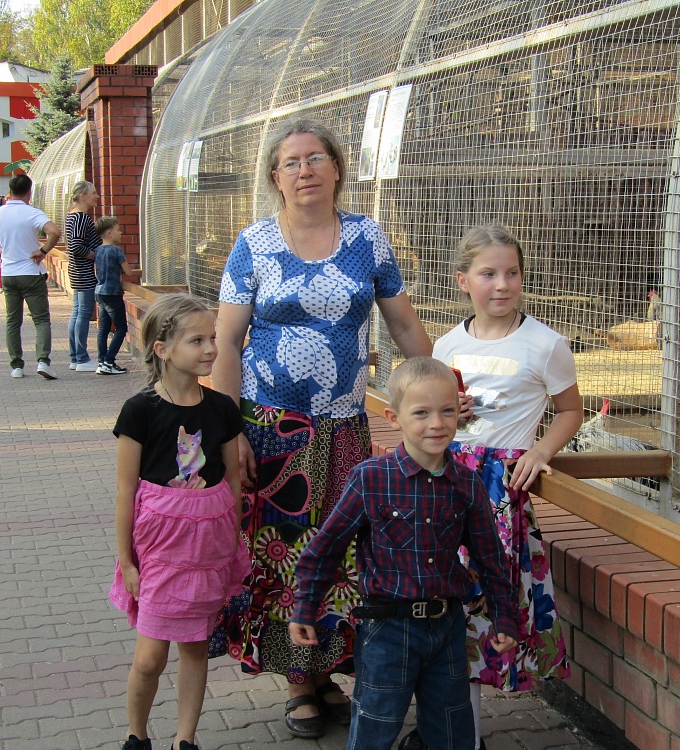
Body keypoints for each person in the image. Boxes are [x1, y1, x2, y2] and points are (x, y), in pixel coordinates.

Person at [213, 118, 432, 739]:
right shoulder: (253, 243)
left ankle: (330, 672)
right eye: (291, 162)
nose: (304, 170)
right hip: (270, 429)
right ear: (275, 178)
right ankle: (298, 683)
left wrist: (437, 392)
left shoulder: (367, 238)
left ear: (337, 167)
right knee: (282, 553)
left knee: (339, 551)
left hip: (342, 428)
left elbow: (405, 329)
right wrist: (228, 432)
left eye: (315, 158)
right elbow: (228, 343)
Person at [289, 357, 517, 750]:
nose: (437, 423)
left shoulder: (466, 484)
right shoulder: (371, 478)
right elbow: (324, 549)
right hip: (387, 630)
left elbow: (491, 558)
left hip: (446, 628)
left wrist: (505, 617)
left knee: (452, 730)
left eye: (447, 411)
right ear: (394, 418)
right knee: (375, 726)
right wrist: (305, 606)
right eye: (422, 413)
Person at [431, 224, 583, 750]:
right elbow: (431, 414)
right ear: (462, 281)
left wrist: (540, 451)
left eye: (512, 273)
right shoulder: (448, 343)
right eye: (488, 274)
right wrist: (453, 411)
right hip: (448, 485)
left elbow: (570, 410)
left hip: (499, 494)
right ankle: (456, 733)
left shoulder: (544, 344)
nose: (502, 284)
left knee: (487, 605)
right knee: (449, 605)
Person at [109, 293, 251, 750]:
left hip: (207, 545)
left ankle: (184, 739)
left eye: (212, 338)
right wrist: (126, 561)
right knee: (150, 657)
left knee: (194, 646)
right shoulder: (140, 410)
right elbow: (126, 490)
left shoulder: (222, 408)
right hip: (159, 547)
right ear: (162, 348)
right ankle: (137, 734)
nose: (211, 348)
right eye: (197, 340)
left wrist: (232, 539)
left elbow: (231, 479)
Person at [0, 174, 60, 380]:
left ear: (10, 191)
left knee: (13, 321)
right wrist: (43, 250)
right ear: (29, 191)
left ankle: (16, 366)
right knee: (40, 319)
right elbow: (55, 232)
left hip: (9, 273)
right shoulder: (32, 213)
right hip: (31, 271)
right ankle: (43, 361)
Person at [93, 216, 140, 374]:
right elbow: (128, 271)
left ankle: (101, 361)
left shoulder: (97, 251)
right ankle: (109, 360)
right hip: (113, 293)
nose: (121, 233)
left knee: (104, 329)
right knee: (121, 328)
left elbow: (96, 270)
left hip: (99, 292)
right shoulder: (116, 251)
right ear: (109, 233)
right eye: (118, 230)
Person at [65, 181, 102, 372]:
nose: (97, 196)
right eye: (93, 193)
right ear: (82, 196)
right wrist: (97, 256)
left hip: (77, 269)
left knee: (78, 311)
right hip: (83, 270)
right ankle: (81, 357)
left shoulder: (72, 217)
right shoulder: (81, 218)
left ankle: (75, 356)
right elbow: (77, 246)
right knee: (83, 313)